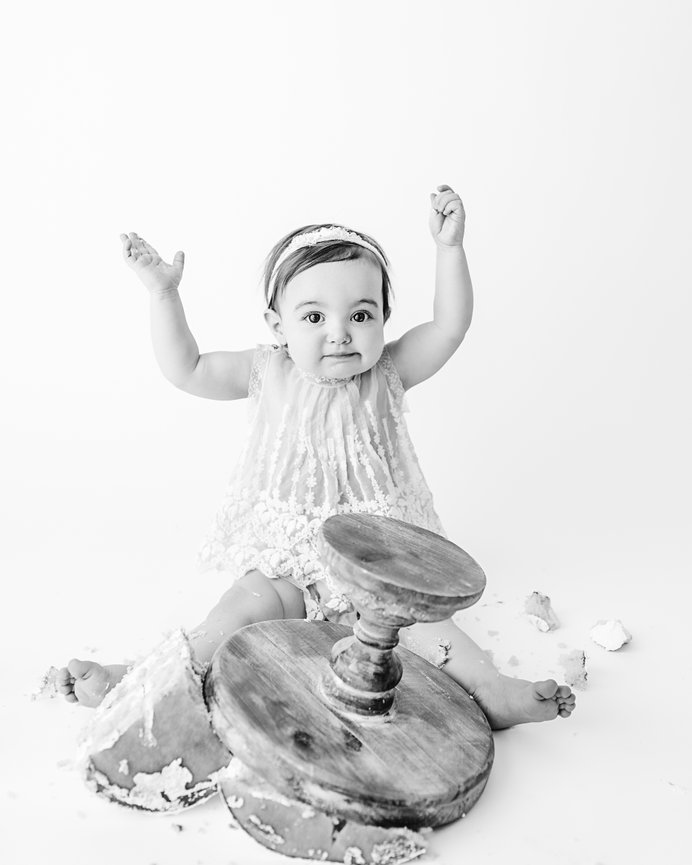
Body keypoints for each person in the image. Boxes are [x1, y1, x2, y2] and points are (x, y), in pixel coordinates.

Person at [57, 184, 575, 729]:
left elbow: (450, 326)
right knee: (235, 614)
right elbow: (186, 368)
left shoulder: (388, 374)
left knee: (429, 627)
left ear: (384, 319)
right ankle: (145, 679)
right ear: (277, 325)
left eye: (361, 314)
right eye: (313, 318)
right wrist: (164, 295)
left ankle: (491, 690)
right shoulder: (265, 371)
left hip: (376, 568)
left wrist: (450, 250)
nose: (339, 334)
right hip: (288, 563)